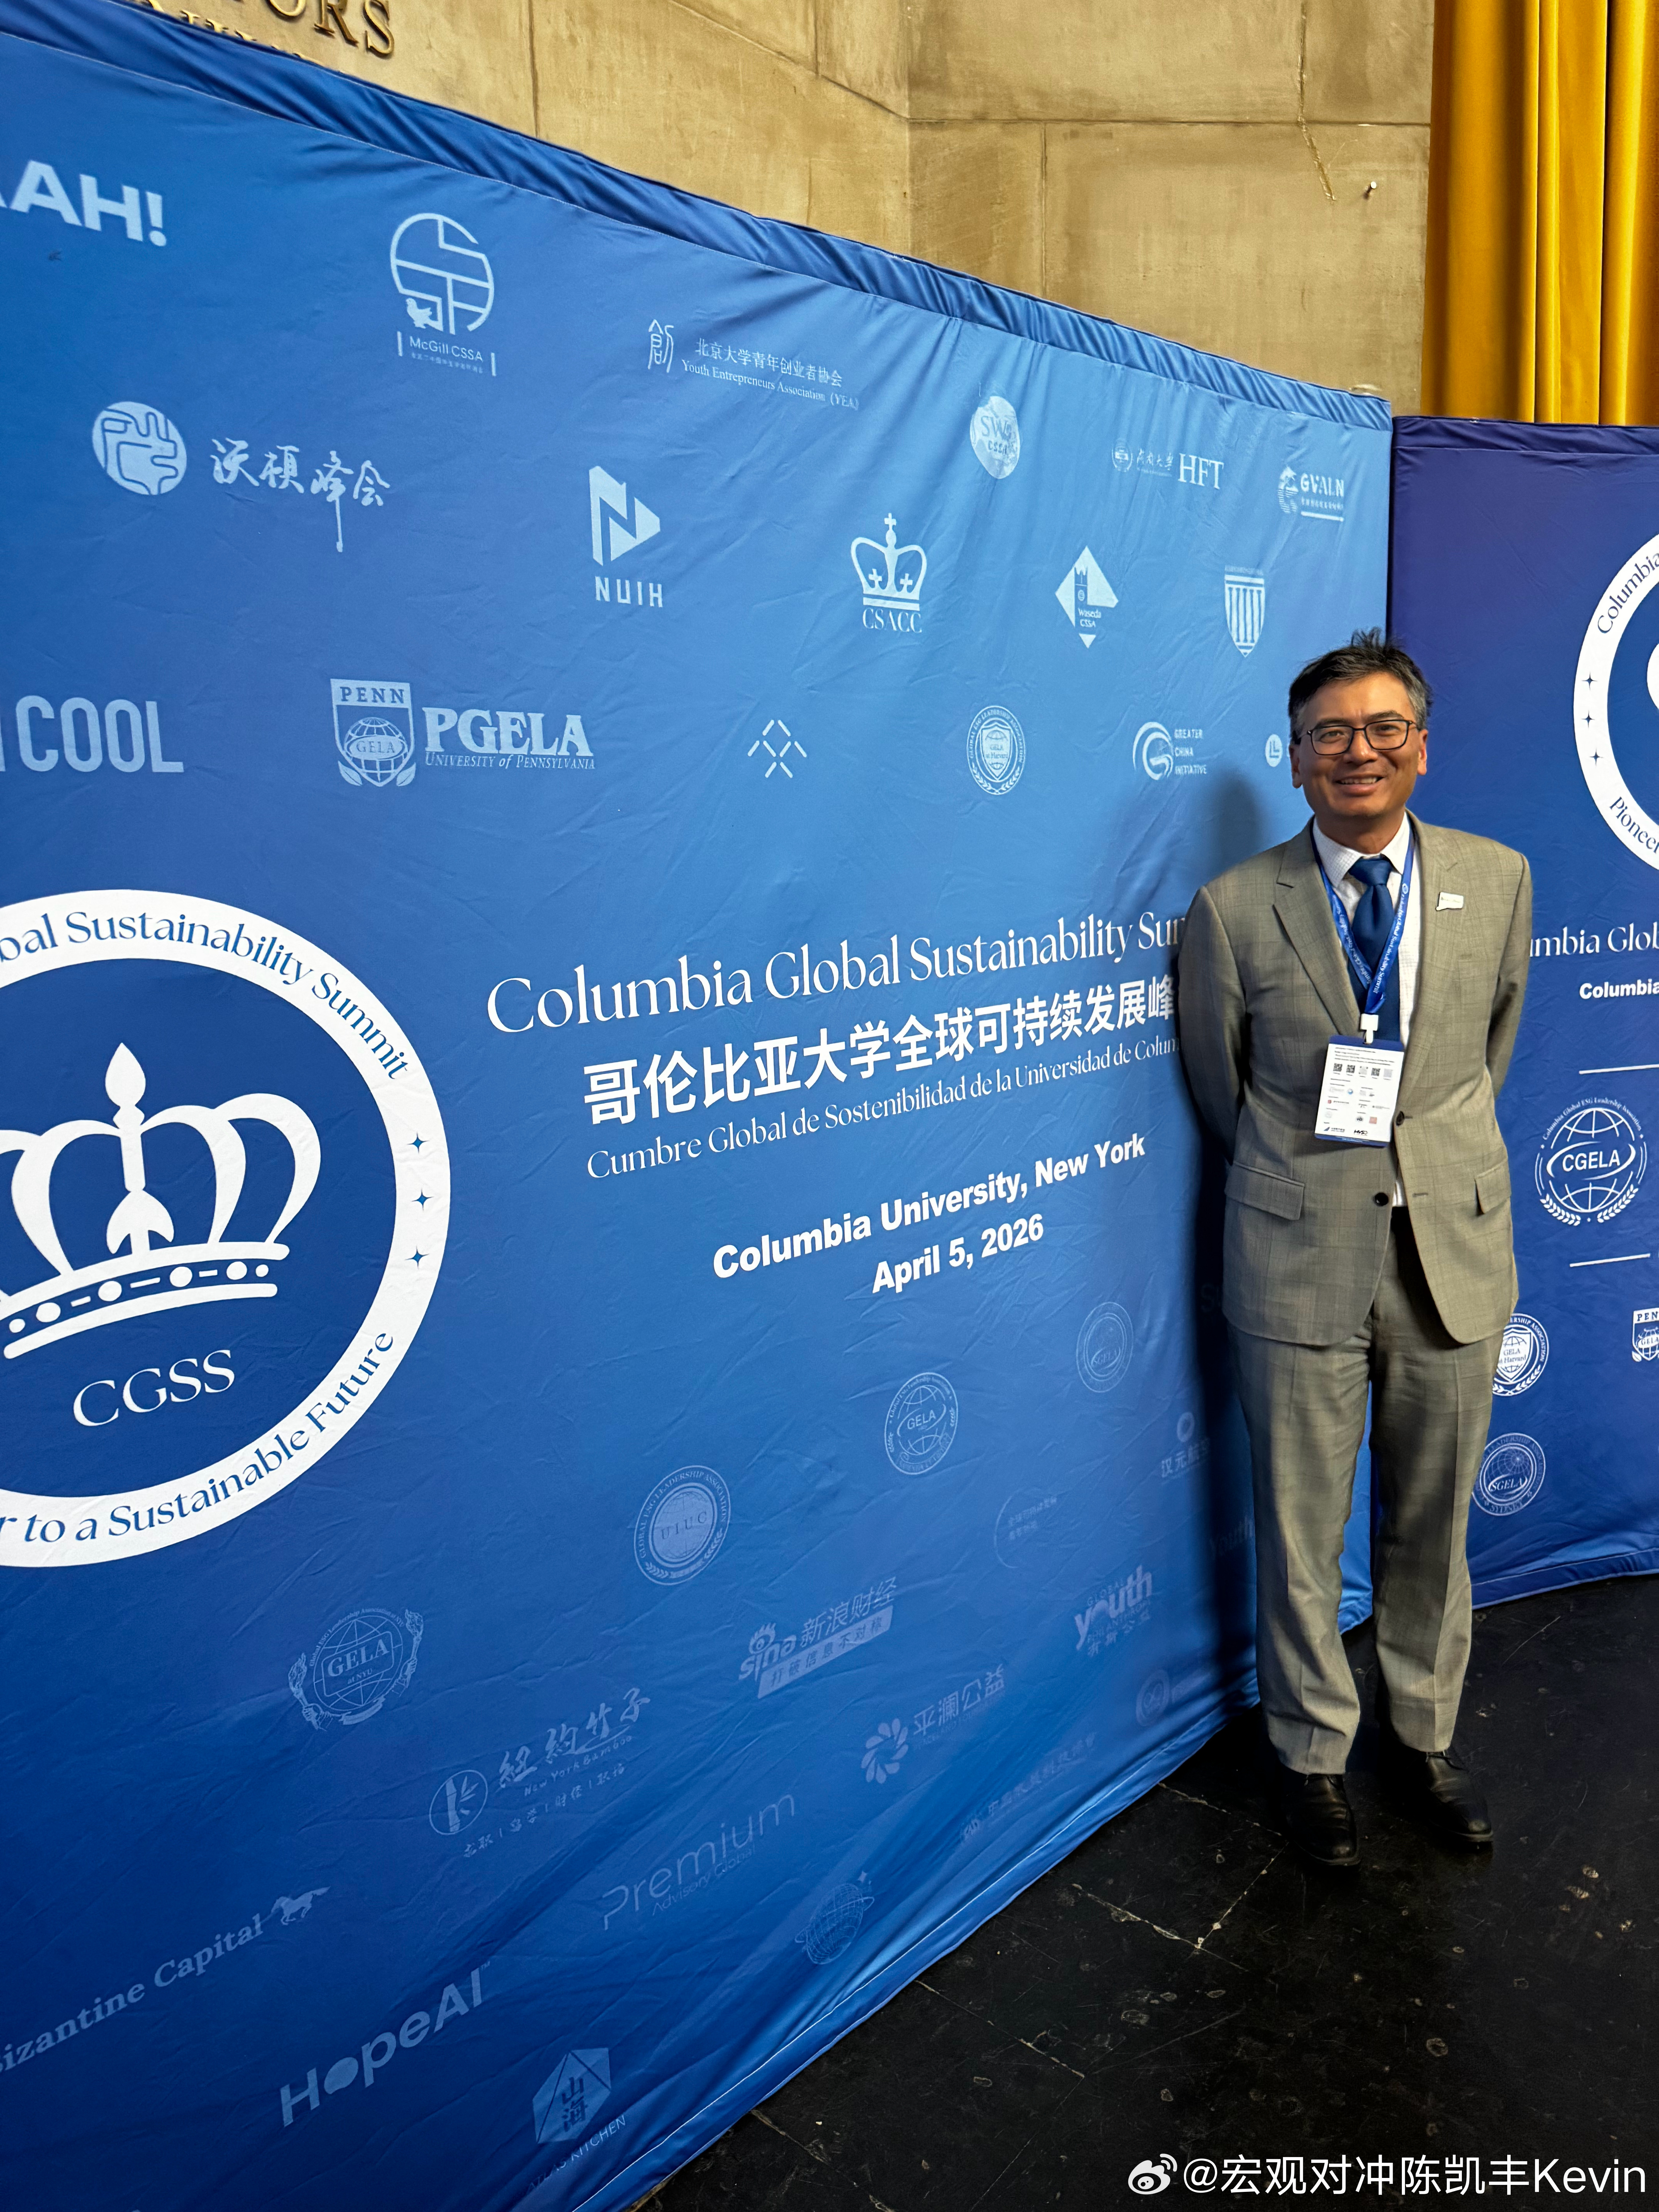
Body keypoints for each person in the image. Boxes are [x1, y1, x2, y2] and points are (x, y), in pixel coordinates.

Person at [1176, 630, 1531, 1867]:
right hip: (1296, 1254)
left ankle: (1420, 1737)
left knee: (1432, 1521)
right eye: (1328, 734)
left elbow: (1484, 1054)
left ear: (1420, 748)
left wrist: (1422, 1161)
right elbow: (1222, 1091)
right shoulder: (1232, 910)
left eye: (1383, 729)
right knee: (1299, 1530)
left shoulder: (1495, 880)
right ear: (1293, 759)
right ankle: (1310, 1755)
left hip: (1450, 1251)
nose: (1356, 752)